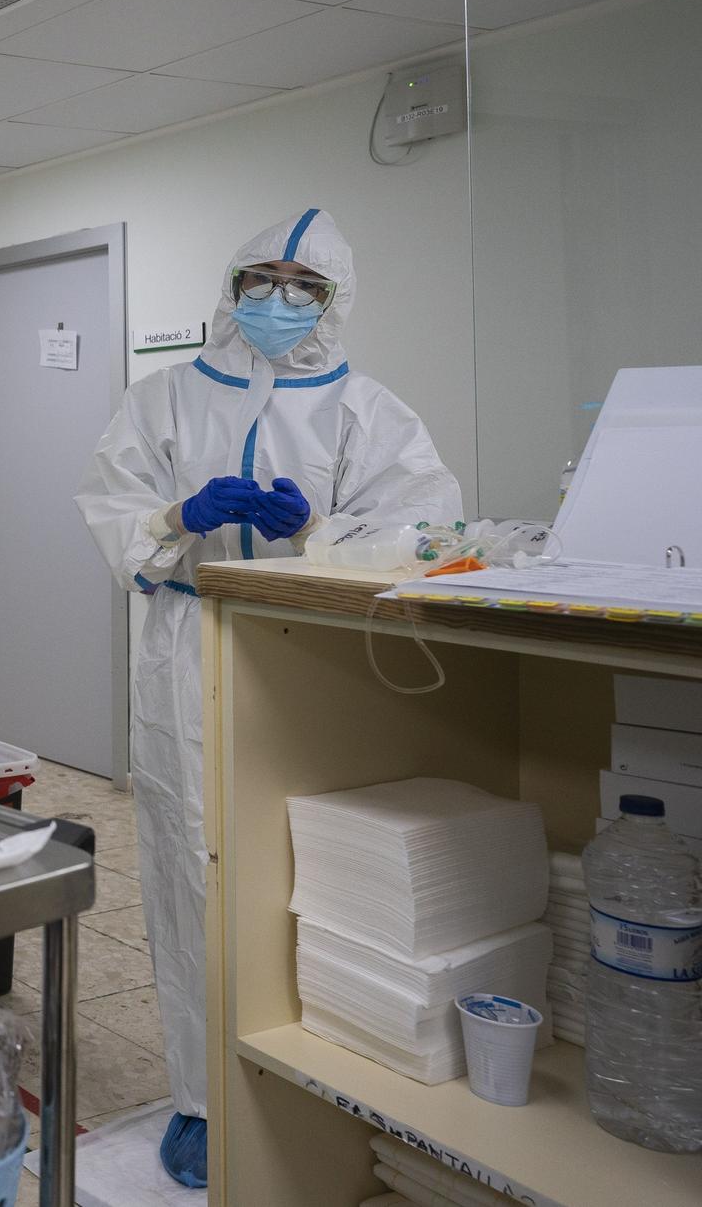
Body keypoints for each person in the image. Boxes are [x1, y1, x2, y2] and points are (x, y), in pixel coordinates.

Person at [74, 208, 462, 1187]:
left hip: (316, 668)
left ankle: (320, 1075)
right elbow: (113, 514)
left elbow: (424, 537)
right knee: (189, 873)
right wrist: (177, 514)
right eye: (260, 279)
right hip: (186, 654)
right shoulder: (159, 400)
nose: (277, 302)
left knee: (318, 868)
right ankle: (202, 1096)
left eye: (303, 286)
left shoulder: (368, 411)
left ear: (334, 303)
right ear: (228, 286)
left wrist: (314, 529)